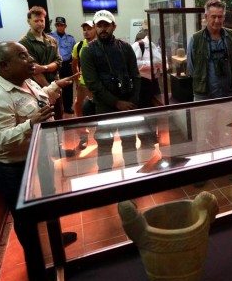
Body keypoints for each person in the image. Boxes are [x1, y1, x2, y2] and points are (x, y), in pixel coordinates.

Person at [0, 41, 79, 247]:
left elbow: (37, 101)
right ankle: (36, 267)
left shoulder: (24, 81)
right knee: (26, 221)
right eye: (22, 56)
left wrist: (55, 86)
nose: (30, 59)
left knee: (49, 204)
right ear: (5, 66)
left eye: (28, 54)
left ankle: (55, 240)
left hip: (38, 158)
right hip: (15, 170)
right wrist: (30, 124)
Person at [81, 10, 157, 173]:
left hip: (128, 102)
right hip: (104, 106)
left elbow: (136, 76)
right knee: (104, 144)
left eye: (106, 25)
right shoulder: (88, 51)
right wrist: (116, 102)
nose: (103, 29)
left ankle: (131, 178)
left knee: (129, 142)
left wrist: (134, 101)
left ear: (113, 26)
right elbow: (93, 84)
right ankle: (106, 181)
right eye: (99, 25)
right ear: (94, 27)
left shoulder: (125, 47)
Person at [187, 0, 232, 100]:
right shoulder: (196, 39)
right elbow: (192, 69)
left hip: (228, 94)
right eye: (213, 17)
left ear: (224, 17)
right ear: (206, 17)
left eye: (220, 17)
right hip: (203, 97)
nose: (217, 20)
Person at [18, 6, 63, 118]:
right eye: (36, 21)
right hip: (39, 89)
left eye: (42, 20)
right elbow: (34, 70)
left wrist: (44, 68)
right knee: (45, 120)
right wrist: (49, 88)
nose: (40, 23)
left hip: (56, 85)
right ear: (29, 21)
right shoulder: (24, 43)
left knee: (59, 116)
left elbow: (58, 61)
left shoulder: (51, 40)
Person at [71, 20, 97, 150]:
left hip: (97, 86)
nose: (86, 32)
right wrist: (77, 79)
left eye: (89, 29)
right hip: (83, 85)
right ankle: (83, 137)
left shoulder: (100, 45)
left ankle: (102, 137)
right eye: (84, 29)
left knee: (99, 111)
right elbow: (74, 63)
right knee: (78, 109)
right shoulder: (79, 46)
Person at [49, 16, 76, 114]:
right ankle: (56, 107)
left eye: (62, 25)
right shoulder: (49, 37)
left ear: (65, 26)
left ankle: (68, 107)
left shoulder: (70, 39)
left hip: (66, 65)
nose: (60, 27)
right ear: (55, 26)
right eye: (58, 25)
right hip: (55, 65)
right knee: (54, 86)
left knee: (68, 86)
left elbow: (74, 53)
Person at [131, 24, 162, 109]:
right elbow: (134, 64)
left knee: (156, 104)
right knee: (143, 106)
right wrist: (150, 64)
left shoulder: (154, 45)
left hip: (154, 81)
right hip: (142, 82)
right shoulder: (138, 45)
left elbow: (160, 60)